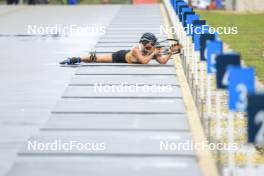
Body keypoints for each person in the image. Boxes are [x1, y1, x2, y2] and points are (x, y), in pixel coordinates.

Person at [59, 32, 182, 65]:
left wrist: (170, 52)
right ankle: (76, 59)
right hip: (120, 56)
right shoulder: (136, 50)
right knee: (97, 59)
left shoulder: (152, 50)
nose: (154, 46)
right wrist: (153, 54)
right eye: (152, 44)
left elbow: (163, 61)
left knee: (97, 58)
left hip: (128, 58)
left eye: (154, 44)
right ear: (145, 43)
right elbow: (144, 61)